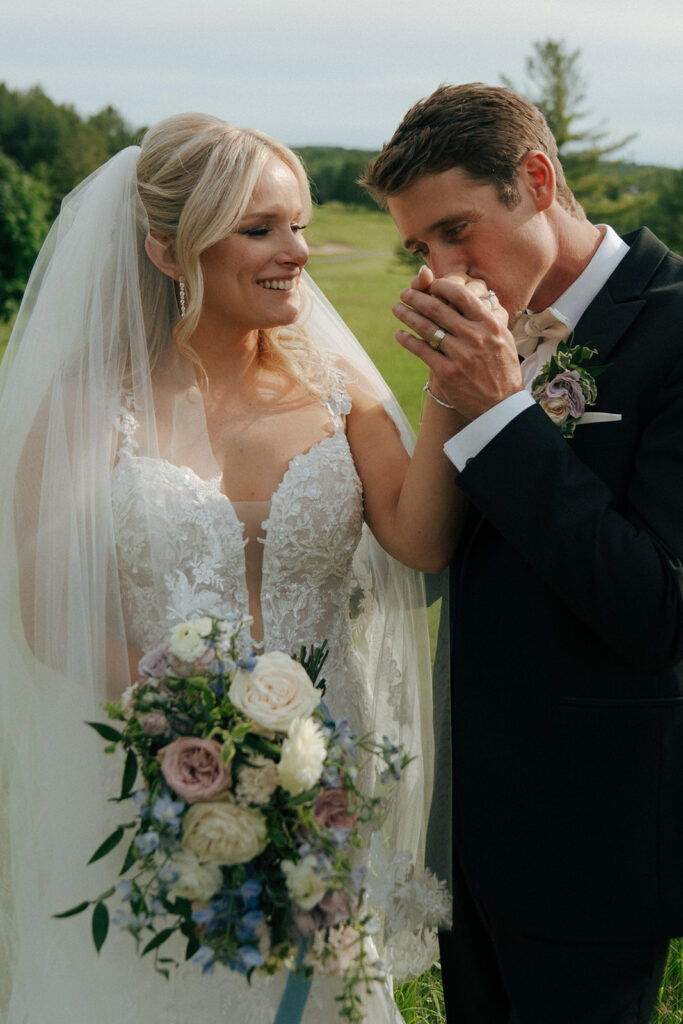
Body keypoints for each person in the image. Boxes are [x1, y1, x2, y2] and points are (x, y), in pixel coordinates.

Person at [0, 113, 459, 1023]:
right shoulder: (90, 403)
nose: (296, 251)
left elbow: (419, 540)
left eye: (296, 223)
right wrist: (203, 734)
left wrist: (449, 381)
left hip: (324, 784)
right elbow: (47, 611)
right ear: (170, 254)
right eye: (260, 230)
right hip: (160, 786)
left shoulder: (340, 387)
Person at [362, 82, 683, 1024]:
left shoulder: (673, 328)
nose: (442, 268)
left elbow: (657, 609)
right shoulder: (487, 338)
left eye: (456, 230)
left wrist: (503, 410)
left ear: (536, 180)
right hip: (471, 831)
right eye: (421, 248)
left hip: (594, 844)